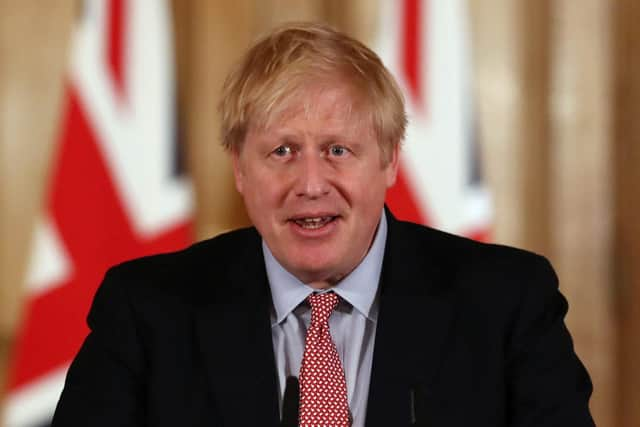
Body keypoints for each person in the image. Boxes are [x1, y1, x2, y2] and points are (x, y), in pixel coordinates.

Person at [52, 22, 595, 427]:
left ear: (388, 160)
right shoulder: (146, 310)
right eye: (282, 151)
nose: (310, 183)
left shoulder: (506, 302)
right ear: (240, 168)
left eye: (338, 149)